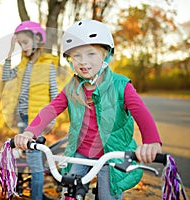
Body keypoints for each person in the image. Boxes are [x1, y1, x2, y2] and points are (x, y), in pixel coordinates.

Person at [13, 19, 162, 199]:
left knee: (107, 194)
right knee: (70, 190)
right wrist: (30, 132)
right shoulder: (72, 88)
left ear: (105, 53)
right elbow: (51, 109)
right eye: (76, 56)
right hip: (82, 152)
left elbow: (141, 112)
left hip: (111, 154)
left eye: (91, 53)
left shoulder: (121, 85)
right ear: (70, 60)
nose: (83, 62)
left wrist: (151, 142)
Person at [2, 21, 59, 200]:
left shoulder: (48, 64)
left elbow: (55, 94)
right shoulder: (23, 65)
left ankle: (36, 198)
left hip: (37, 121)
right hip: (23, 119)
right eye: (20, 44)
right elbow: (5, 77)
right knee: (22, 159)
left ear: (37, 40)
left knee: (34, 164)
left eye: (25, 43)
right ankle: (21, 192)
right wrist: (10, 52)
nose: (23, 47)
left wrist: (50, 120)